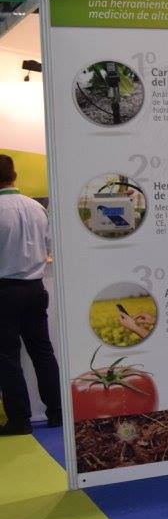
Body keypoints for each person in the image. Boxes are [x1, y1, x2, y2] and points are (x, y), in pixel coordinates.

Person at [0, 154, 62, 435]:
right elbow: (49, 245)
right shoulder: (36, 207)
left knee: (7, 357)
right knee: (42, 351)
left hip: (5, 290)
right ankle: (57, 412)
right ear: (14, 175)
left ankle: (20, 420)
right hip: (35, 288)